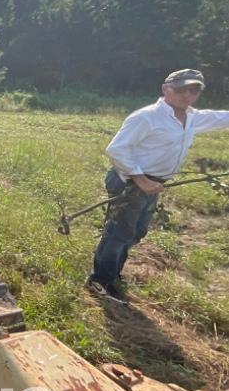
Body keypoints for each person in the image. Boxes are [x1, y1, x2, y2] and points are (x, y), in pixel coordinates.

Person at [88, 69, 229, 297]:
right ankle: (100, 280)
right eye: (181, 89)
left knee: (136, 231)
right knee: (119, 232)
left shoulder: (192, 117)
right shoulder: (147, 117)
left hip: (152, 185)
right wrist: (140, 179)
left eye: (193, 90)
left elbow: (222, 118)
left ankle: (113, 273)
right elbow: (117, 149)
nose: (187, 95)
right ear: (166, 89)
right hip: (131, 183)